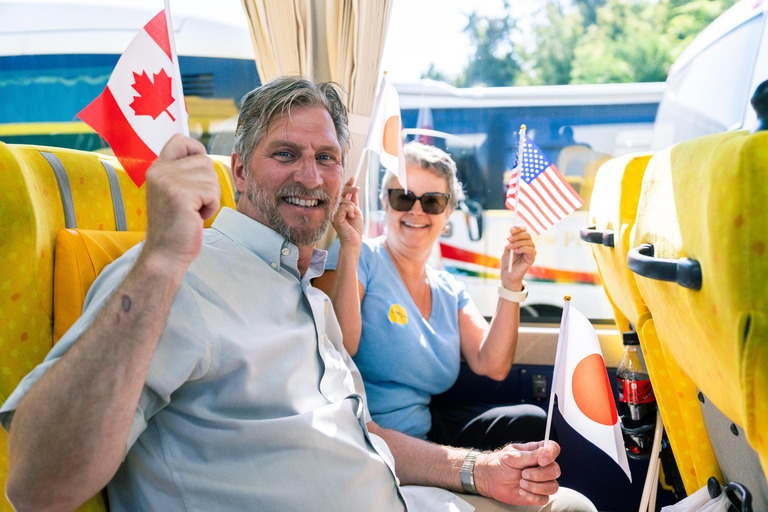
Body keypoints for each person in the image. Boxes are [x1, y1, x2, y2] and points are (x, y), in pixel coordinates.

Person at [0, 76, 594, 512]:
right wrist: (160, 259)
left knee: (566, 505)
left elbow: (360, 431)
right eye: (285, 154)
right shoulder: (177, 277)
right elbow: (36, 483)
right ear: (238, 172)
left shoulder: (304, 286)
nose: (310, 176)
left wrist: (475, 470)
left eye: (327, 158)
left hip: (398, 495)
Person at [315, 142, 548, 451]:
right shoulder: (359, 254)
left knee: (532, 423)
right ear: (385, 203)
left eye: (432, 202)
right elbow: (340, 345)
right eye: (403, 197)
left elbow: (493, 364)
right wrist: (350, 247)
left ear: (448, 211)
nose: (416, 210)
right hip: (366, 439)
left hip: (424, 436)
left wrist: (511, 284)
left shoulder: (449, 289)